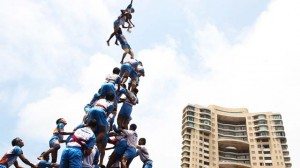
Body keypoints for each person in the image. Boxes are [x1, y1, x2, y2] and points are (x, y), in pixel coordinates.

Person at [85, 98, 115, 168]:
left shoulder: (110, 116)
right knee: (96, 145)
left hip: (104, 131)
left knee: (101, 147)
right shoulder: (104, 111)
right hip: (99, 129)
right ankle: (92, 161)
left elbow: (111, 125)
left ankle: (99, 163)